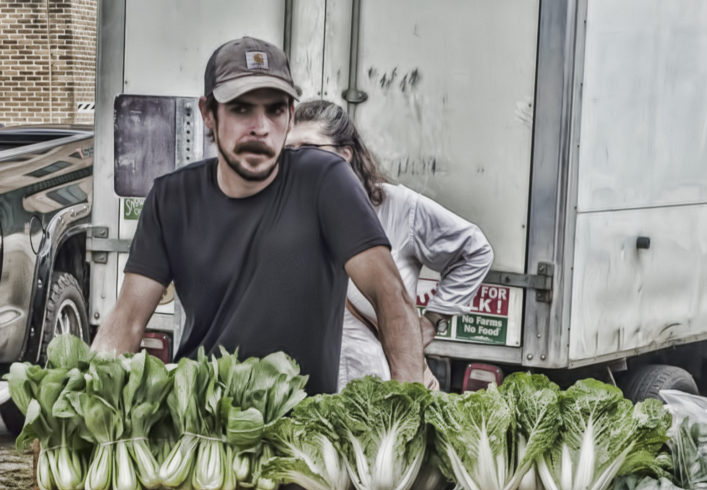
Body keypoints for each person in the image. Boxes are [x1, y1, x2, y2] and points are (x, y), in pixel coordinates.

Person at [91, 37, 425, 394]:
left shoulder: (325, 181)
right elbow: (126, 321)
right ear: (208, 113)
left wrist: (407, 407)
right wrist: (80, 401)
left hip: (301, 432)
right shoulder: (172, 198)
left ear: (291, 115)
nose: (260, 127)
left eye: (275, 110)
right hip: (203, 428)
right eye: (241, 109)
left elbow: (390, 294)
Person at [286, 99, 494, 389]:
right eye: (288, 151)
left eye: (308, 149)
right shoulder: (285, 215)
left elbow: (475, 250)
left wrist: (433, 319)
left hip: (385, 399)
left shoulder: (396, 206)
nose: (296, 160)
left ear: (344, 154)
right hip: (312, 397)